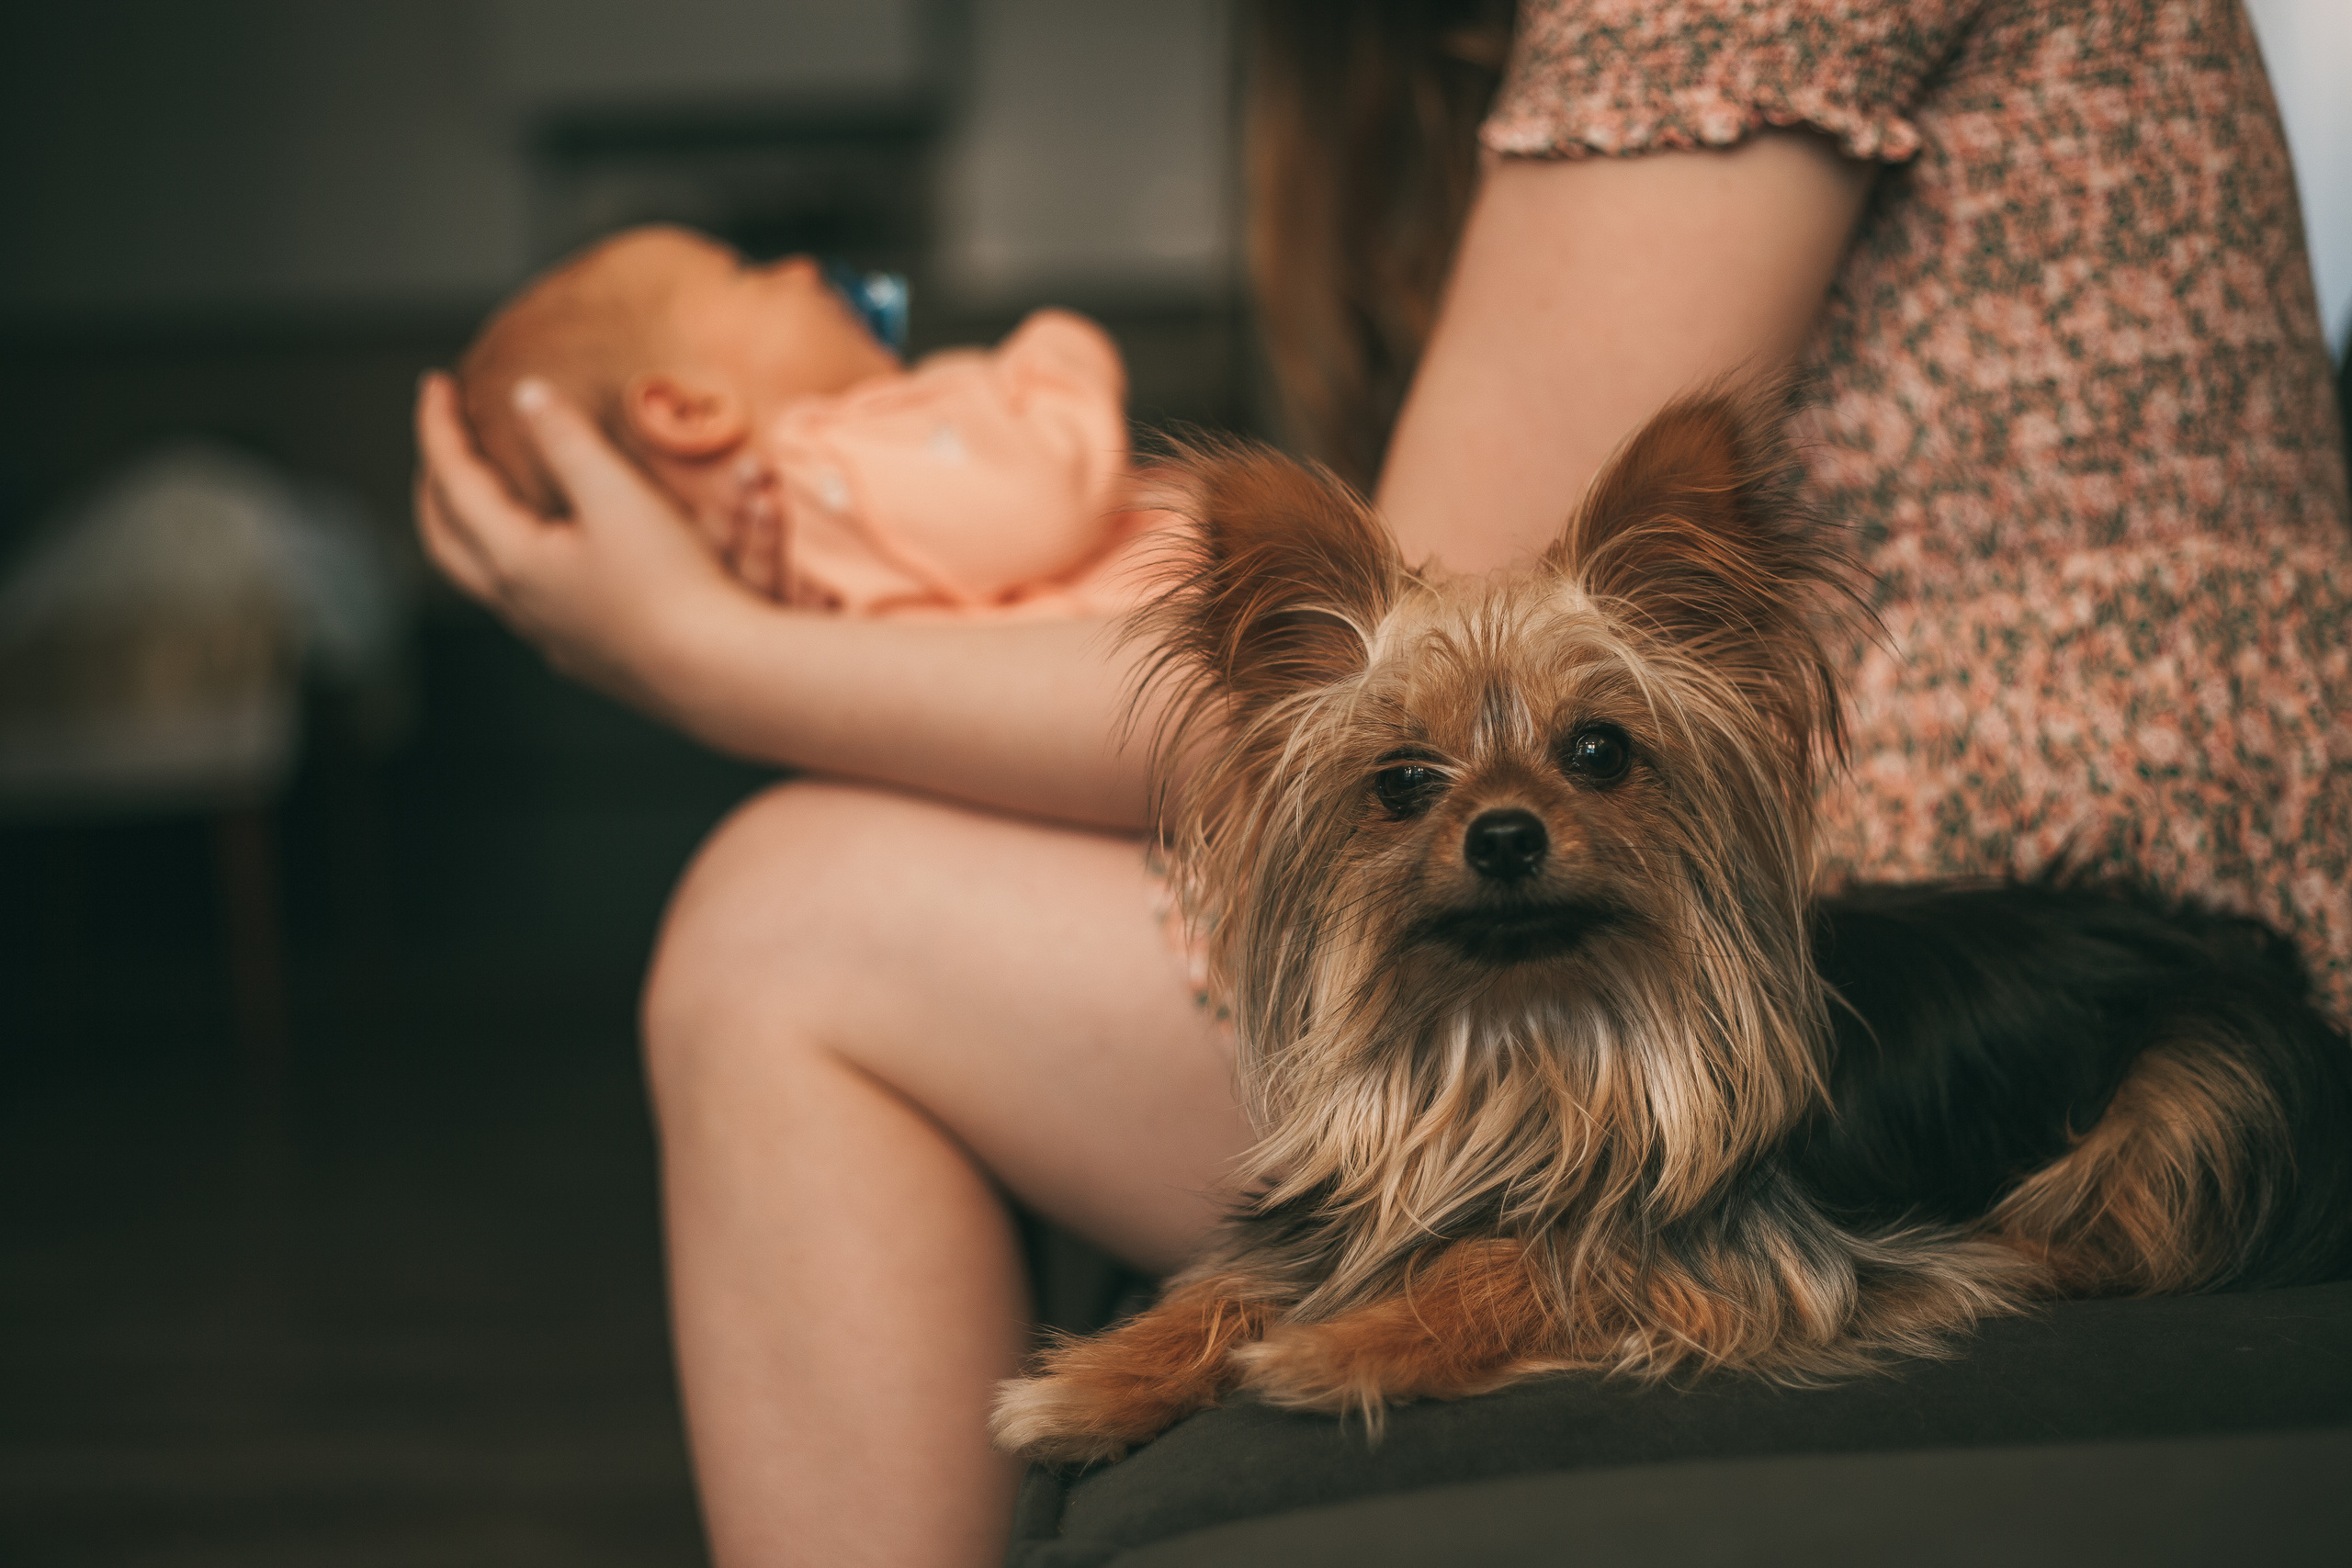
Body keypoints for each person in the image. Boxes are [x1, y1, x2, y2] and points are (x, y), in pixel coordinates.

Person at [412, 2, 2350, 1563]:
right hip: (1888, 894)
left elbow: (1401, 648)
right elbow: (1361, 695)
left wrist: (693, 656)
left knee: (787, 919)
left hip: (1947, 886)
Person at [456, 224, 1166, 618]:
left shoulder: (816, 522)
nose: (800, 269)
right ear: (688, 409)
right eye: (748, 275)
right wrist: (1063, 359)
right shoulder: (821, 470)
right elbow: (1039, 500)